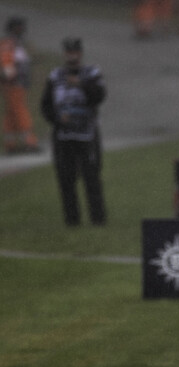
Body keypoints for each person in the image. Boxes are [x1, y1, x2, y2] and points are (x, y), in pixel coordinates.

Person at [41, 38, 106, 226]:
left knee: (91, 176)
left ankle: (98, 219)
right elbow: (46, 105)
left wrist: (81, 85)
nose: (71, 56)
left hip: (87, 133)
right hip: (64, 135)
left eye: (74, 52)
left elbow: (99, 96)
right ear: (64, 54)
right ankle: (72, 220)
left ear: (80, 53)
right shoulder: (55, 76)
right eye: (68, 52)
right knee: (66, 178)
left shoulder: (92, 73)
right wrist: (56, 119)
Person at [0, 16, 38, 153]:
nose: (22, 29)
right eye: (19, 26)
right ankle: (30, 141)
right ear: (13, 28)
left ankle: (10, 143)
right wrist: (10, 77)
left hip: (17, 84)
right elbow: (6, 61)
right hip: (14, 84)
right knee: (20, 111)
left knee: (11, 113)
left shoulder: (17, 43)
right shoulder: (9, 43)